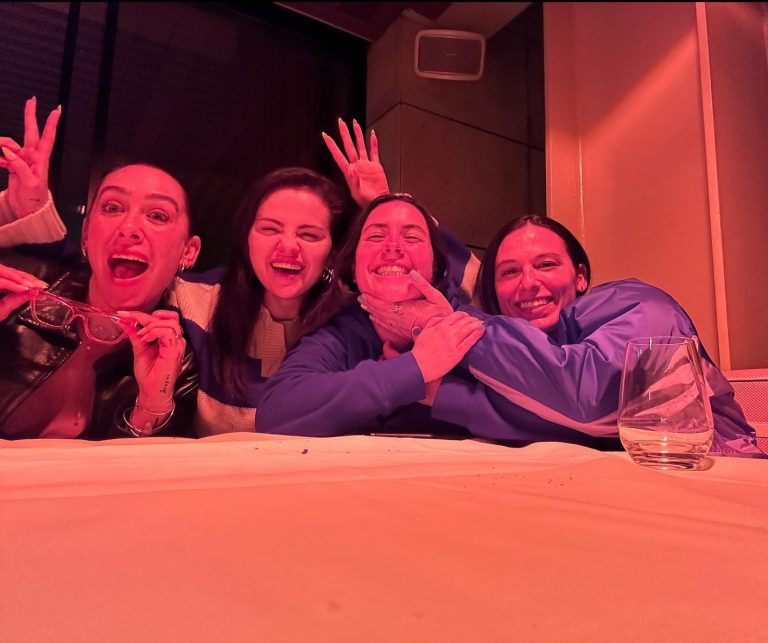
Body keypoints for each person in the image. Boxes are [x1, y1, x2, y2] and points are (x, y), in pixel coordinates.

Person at [358, 214, 762, 456]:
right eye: (509, 272)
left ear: (580, 276)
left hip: (728, 474)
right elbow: (557, 423)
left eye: (546, 265)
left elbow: (587, 399)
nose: (528, 284)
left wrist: (448, 330)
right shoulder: (517, 368)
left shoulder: (642, 306)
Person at [0, 99, 201, 439]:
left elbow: (133, 471)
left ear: (188, 251)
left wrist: (151, 405)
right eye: (112, 207)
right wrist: (13, 208)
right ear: (86, 235)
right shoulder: (20, 288)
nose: (129, 228)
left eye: (157, 215)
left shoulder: (178, 363)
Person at [256, 192, 485, 436]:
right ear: (354, 267)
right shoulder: (338, 337)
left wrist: (443, 392)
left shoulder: (465, 321)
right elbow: (275, 412)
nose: (393, 247)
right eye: (376, 236)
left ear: (436, 266)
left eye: (411, 237)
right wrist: (416, 367)